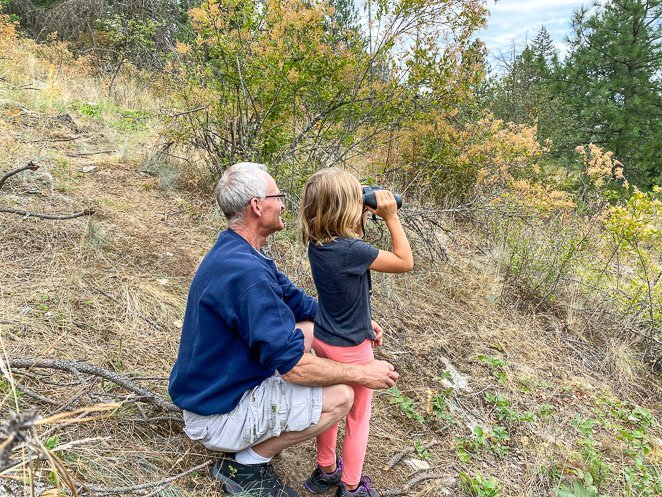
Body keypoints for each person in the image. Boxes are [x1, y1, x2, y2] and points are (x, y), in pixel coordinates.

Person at [168, 162, 399, 497]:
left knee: (307, 328)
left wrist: (355, 322)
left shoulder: (240, 251)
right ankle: (244, 465)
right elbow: (293, 368)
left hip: (216, 389)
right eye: (278, 197)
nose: (284, 204)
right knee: (341, 396)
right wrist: (362, 373)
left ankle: (259, 446)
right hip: (215, 415)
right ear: (257, 206)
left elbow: (299, 303)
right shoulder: (247, 275)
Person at [300, 169, 413, 497]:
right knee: (357, 418)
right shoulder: (352, 250)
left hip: (325, 337)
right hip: (352, 350)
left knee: (332, 409)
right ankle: (350, 486)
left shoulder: (318, 243)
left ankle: (326, 470)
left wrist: (366, 321)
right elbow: (405, 261)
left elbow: (345, 292)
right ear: (345, 208)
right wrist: (390, 217)